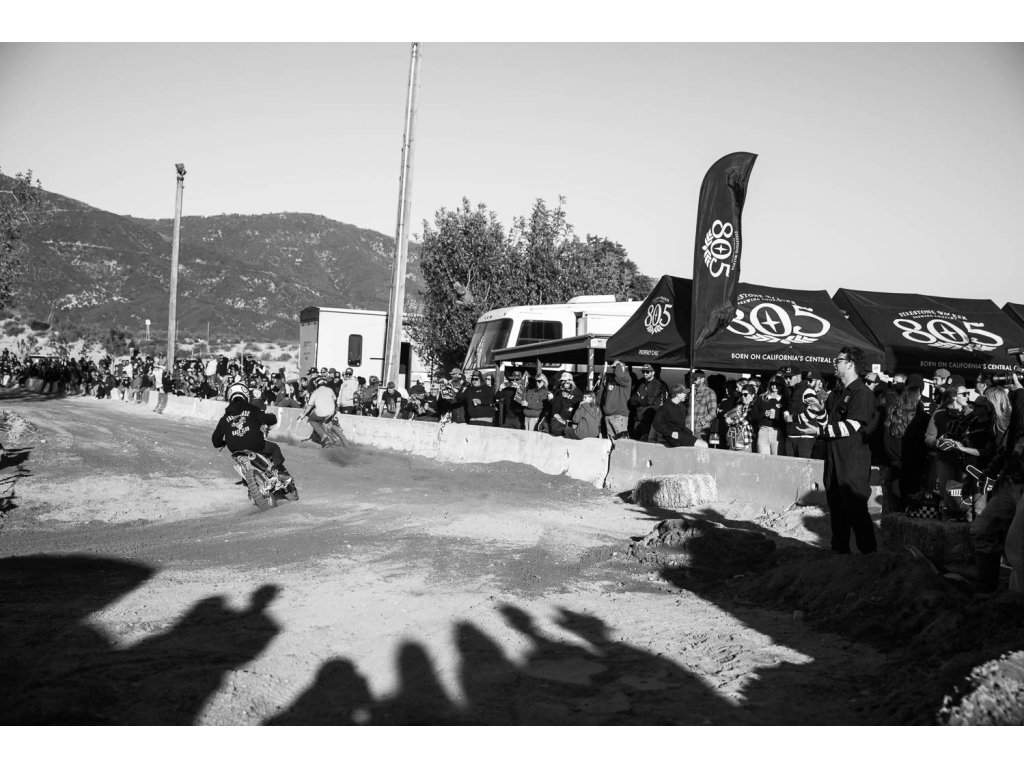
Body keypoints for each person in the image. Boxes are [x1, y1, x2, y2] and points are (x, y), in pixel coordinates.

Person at [804, 346, 877, 554]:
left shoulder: (862, 393)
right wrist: (820, 413)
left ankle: (870, 558)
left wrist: (820, 430)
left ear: (850, 364)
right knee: (836, 511)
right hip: (833, 460)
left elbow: (851, 426)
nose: (834, 364)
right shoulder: (837, 393)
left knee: (856, 511)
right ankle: (840, 556)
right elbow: (829, 424)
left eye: (838, 361)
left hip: (852, 463)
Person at [970, 371, 1024, 593]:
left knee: (1018, 547)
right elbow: (1010, 446)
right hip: (1012, 480)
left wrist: (1019, 393)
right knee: (981, 529)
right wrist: (989, 472)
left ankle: (1014, 601)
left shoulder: (1020, 400)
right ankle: (986, 592)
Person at [212, 382, 292, 482]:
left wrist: (223, 443)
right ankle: (279, 472)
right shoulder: (252, 409)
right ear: (246, 395)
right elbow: (268, 419)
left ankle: (249, 479)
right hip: (255, 445)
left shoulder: (224, 418)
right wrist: (273, 417)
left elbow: (215, 440)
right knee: (274, 448)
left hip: (235, 450)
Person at [652, 383, 708, 448]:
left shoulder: (681, 406)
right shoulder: (665, 407)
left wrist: (689, 433)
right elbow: (657, 424)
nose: (686, 394)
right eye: (684, 393)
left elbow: (681, 426)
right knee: (704, 445)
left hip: (681, 435)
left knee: (702, 443)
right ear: (678, 395)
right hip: (673, 437)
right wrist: (670, 433)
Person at [629, 363, 669, 441]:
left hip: (650, 420)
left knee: (647, 441)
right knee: (636, 441)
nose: (645, 373)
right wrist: (641, 399)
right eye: (643, 371)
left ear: (653, 372)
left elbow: (649, 401)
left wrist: (639, 398)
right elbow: (632, 400)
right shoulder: (641, 384)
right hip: (639, 417)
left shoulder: (658, 384)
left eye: (647, 372)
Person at [784, 369, 818, 458]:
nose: (788, 380)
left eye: (790, 377)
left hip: (804, 438)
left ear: (799, 376)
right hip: (791, 436)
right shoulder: (792, 390)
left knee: (803, 466)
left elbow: (814, 411)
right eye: (786, 377)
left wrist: (793, 418)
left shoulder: (808, 390)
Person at [751, 377, 786, 455]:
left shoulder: (785, 400)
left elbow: (787, 418)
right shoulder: (762, 398)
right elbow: (753, 415)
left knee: (777, 459)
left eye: (777, 384)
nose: (774, 386)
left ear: (782, 385)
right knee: (763, 459)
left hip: (778, 432)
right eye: (772, 383)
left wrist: (777, 416)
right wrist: (764, 414)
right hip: (763, 430)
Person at [597, 360, 631, 439]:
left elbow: (620, 376)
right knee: (611, 442)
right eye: (613, 367)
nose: (614, 369)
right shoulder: (610, 379)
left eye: (616, 367)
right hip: (608, 415)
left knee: (622, 441)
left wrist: (617, 365)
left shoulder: (626, 378)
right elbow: (602, 396)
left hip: (619, 415)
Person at [302, 375, 341, 446]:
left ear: (317, 383)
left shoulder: (315, 392)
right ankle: (338, 429)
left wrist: (304, 414)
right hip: (331, 412)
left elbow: (309, 405)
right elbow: (335, 399)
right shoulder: (330, 390)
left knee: (311, 419)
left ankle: (323, 435)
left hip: (320, 414)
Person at [687, 369, 718, 443]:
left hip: (700, 430)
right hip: (688, 429)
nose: (693, 380)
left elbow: (713, 413)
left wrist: (701, 422)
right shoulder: (692, 392)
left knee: (700, 449)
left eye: (695, 378)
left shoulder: (709, 392)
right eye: (692, 378)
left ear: (702, 379)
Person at [549, 372, 583, 437]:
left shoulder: (577, 392)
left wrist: (570, 397)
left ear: (571, 381)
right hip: (560, 422)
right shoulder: (558, 392)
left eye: (566, 381)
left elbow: (580, 403)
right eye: (562, 381)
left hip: (572, 421)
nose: (563, 382)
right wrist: (551, 399)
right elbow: (554, 411)